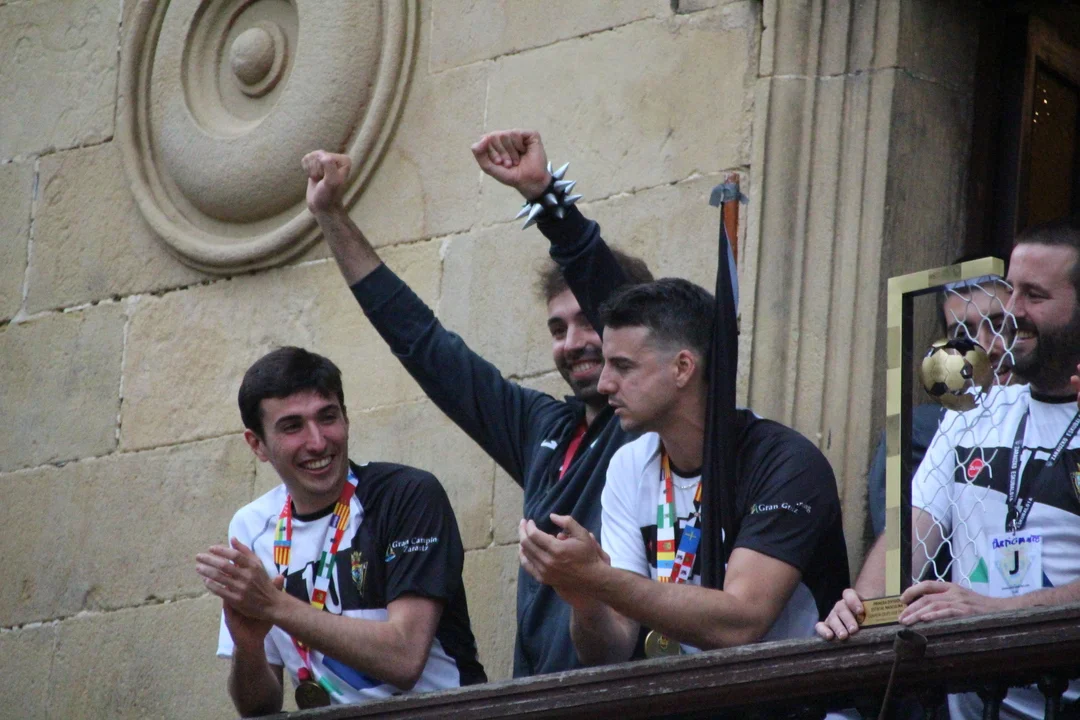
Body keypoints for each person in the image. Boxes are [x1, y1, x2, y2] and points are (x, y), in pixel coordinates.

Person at [300, 129, 653, 676]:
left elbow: (621, 304)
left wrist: (544, 196)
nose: (572, 343)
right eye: (557, 328)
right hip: (537, 699)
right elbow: (423, 343)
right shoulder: (543, 426)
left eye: (589, 322)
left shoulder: (651, 426)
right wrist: (330, 216)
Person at [817, 216, 1080, 719]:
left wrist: (995, 612)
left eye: (1034, 296)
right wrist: (862, 609)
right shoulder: (971, 414)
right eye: (1011, 290)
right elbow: (907, 546)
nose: (1012, 311)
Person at [519, 278, 850, 664]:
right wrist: (584, 596)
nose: (605, 384)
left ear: (682, 368)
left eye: (623, 366)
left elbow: (742, 623)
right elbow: (609, 651)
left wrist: (599, 578)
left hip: (795, 692)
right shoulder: (628, 465)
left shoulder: (785, 462)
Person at [196, 347, 486, 715]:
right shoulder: (251, 527)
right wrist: (249, 648)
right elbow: (259, 707)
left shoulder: (407, 494)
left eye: (328, 417)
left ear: (346, 419)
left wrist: (275, 606)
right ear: (258, 445)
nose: (318, 442)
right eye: (292, 426)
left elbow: (404, 658)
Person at [866, 269, 1015, 537]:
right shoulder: (920, 434)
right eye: (964, 333)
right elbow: (904, 551)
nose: (984, 347)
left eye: (998, 325)